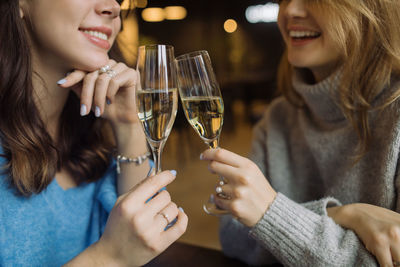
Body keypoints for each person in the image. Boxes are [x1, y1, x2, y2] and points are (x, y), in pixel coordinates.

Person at [199, 0, 400, 266]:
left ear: (370, 8)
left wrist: (269, 213)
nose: (290, 10)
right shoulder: (278, 117)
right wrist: (345, 214)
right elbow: (232, 236)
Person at [0, 0, 187, 266]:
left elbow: (146, 249)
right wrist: (109, 257)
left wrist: (130, 125)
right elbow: (124, 256)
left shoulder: (94, 139)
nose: (113, 7)